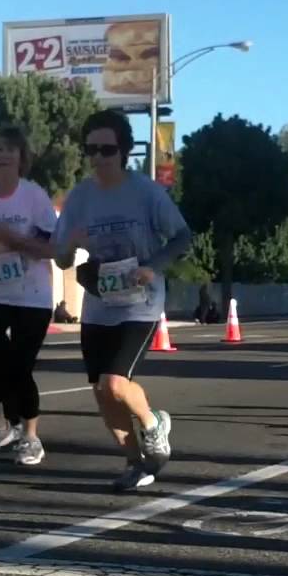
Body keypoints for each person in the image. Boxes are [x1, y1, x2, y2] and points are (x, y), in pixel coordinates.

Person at [54, 109, 191, 491]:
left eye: (107, 149)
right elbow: (61, 257)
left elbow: (183, 238)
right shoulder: (80, 197)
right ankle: (134, 462)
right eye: (91, 149)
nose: (98, 157)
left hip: (141, 300)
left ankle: (153, 423)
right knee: (101, 391)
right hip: (99, 302)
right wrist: (71, 244)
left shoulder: (147, 193)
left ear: (125, 151)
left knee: (115, 384)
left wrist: (152, 266)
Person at [0, 125, 58, 466]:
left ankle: (30, 436)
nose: (3, 155)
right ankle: (0, 426)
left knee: (19, 367)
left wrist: (14, 240)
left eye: (10, 150)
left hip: (32, 295)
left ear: (22, 158)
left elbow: (53, 248)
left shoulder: (34, 196)